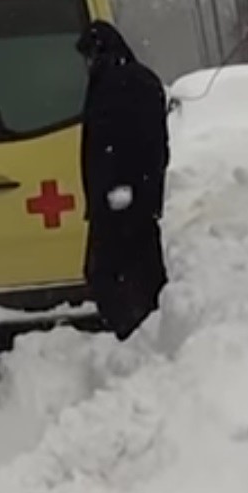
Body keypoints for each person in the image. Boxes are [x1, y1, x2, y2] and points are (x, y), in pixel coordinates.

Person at [74, 21, 170, 341]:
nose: (85, 66)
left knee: (106, 272)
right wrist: (149, 188)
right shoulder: (145, 79)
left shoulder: (110, 86)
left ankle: (129, 335)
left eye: (86, 57)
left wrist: (112, 190)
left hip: (116, 200)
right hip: (142, 196)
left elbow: (105, 146)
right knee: (144, 269)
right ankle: (151, 330)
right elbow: (158, 145)